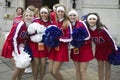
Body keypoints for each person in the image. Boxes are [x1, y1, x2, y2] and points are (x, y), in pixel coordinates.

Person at [1, 10, 34, 80]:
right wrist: (17, 52)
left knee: (23, 66)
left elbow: (24, 38)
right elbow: (14, 38)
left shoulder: (29, 25)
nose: (28, 17)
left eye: (30, 16)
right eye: (26, 15)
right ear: (23, 16)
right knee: (19, 66)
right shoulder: (20, 24)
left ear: (33, 17)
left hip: (19, 46)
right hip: (11, 46)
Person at [86, 13, 118, 80]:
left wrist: (116, 51)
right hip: (99, 50)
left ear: (97, 20)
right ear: (87, 20)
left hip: (108, 50)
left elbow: (111, 40)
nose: (92, 21)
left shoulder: (102, 29)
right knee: (100, 67)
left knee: (107, 67)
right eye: (90, 19)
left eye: (94, 19)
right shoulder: (87, 30)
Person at [48, 5, 72, 80]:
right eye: (59, 11)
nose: (60, 13)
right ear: (56, 12)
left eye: (62, 11)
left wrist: (59, 39)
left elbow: (70, 37)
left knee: (55, 72)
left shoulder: (67, 23)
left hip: (62, 48)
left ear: (64, 13)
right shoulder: (54, 22)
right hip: (53, 48)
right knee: (50, 71)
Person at [68, 9, 93, 80]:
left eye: (74, 15)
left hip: (84, 49)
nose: (72, 17)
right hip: (75, 50)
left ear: (77, 16)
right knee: (77, 70)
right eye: (70, 15)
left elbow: (88, 36)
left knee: (83, 71)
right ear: (68, 16)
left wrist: (78, 40)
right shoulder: (68, 24)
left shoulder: (81, 23)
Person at [29, 6, 51, 80]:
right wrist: (36, 32)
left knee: (43, 64)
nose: (43, 14)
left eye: (45, 13)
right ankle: (35, 78)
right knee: (36, 64)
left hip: (44, 47)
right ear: (39, 13)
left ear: (48, 14)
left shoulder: (51, 23)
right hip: (34, 46)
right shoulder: (35, 21)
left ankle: (41, 78)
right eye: (42, 13)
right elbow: (29, 33)